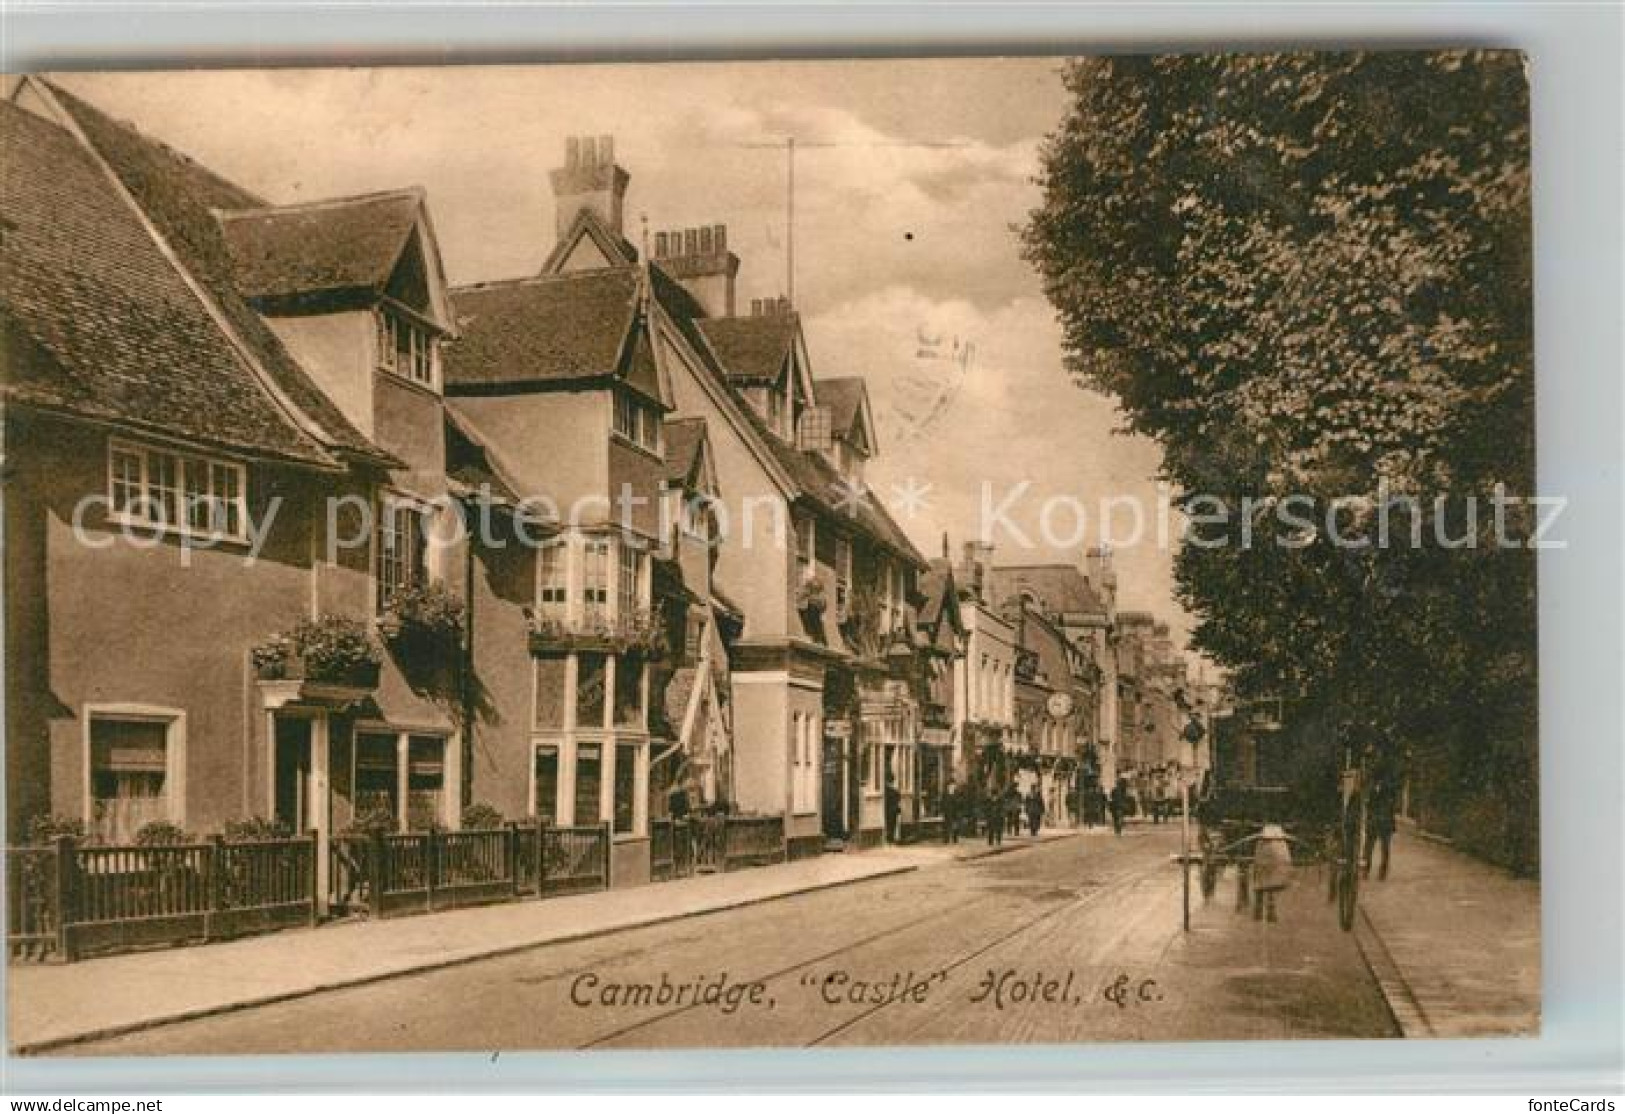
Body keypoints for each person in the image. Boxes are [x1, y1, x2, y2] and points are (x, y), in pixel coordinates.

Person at [1251, 823, 1294, 923]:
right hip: (1266, 859)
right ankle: (1264, 913)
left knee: (1264, 884)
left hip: (1267, 859)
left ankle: (1262, 913)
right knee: (1266, 884)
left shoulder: (1265, 841)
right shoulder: (1272, 841)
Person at [1364, 775, 1398, 880]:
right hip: (1374, 822)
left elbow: (1392, 806)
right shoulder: (1371, 789)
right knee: (1369, 847)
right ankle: (1366, 869)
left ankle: (1382, 872)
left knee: (1384, 849)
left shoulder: (1389, 789)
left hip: (1384, 823)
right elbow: (1368, 806)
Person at [983, 782, 1005, 847]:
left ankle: (996, 841)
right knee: (991, 829)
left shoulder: (999, 800)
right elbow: (986, 808)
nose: (994, 796)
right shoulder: (989, 800)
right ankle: (991, 841)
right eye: (993, 794)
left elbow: (1002, 808)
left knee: (997, 830)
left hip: (996, 816)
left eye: (994, 794)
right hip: (992, 816)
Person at [883, 777, 902, 844]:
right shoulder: (895, 791)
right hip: (894, 809)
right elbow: (899, 798)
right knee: (892, 824)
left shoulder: (886, 791)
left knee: (888, 823)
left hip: (888, 809)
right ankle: (891, 838)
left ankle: (889, 838)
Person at [943, 779, 961, 843]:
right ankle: (946, 839)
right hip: (948, 811)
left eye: (953, 785)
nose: (951, 786)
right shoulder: (945, 793)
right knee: (947, 825)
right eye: (950, 785)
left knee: (955, 825)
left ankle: (955, 838)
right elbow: (943, 801)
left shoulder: (957, 792)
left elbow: (960, 802)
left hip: (955, 811)